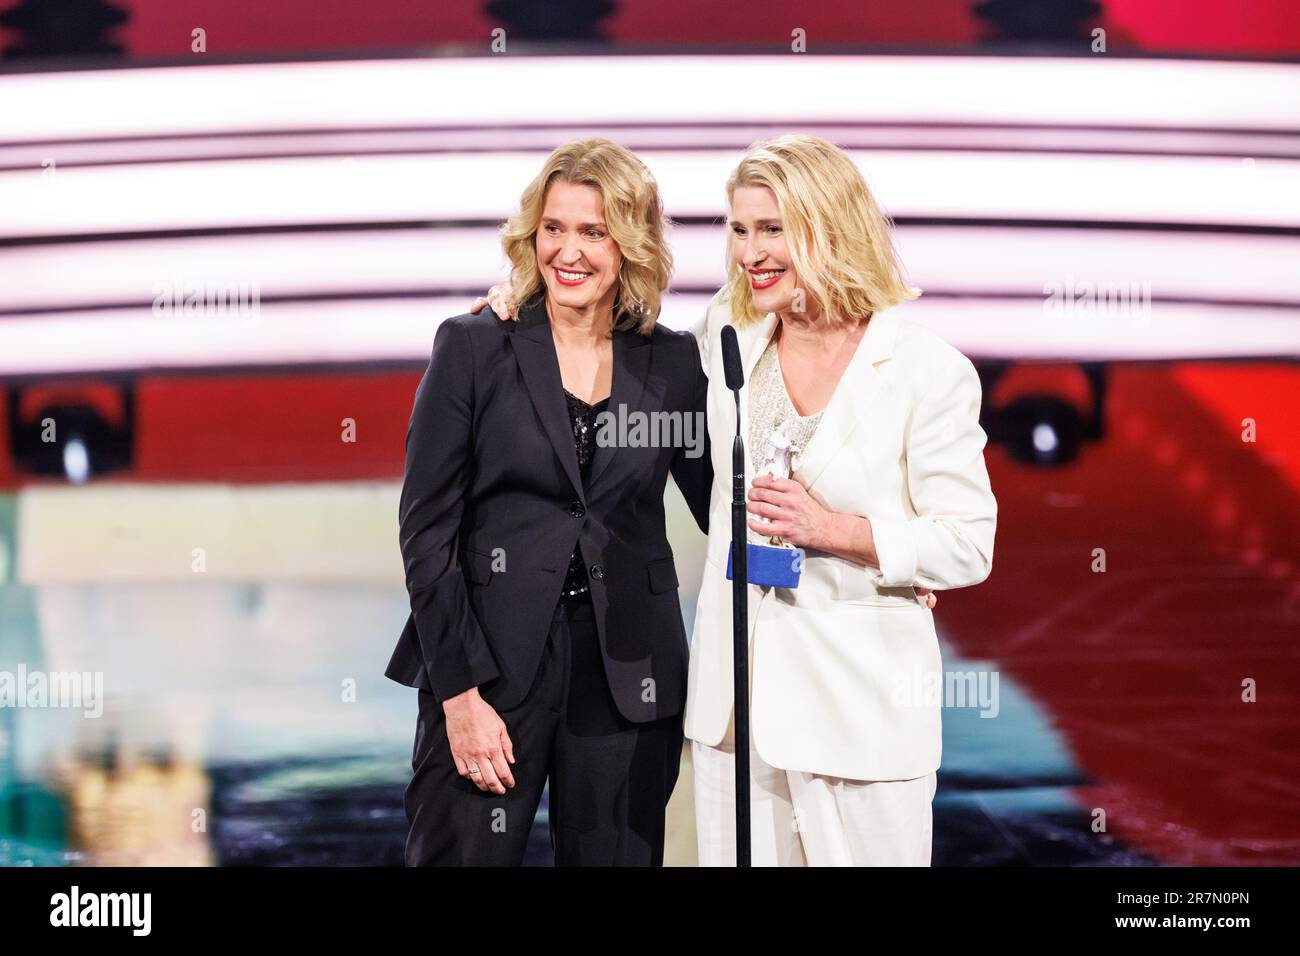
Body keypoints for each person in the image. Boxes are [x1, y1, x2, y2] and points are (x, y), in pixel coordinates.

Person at [384, 138, 711, 866]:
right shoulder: (475, 347)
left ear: (630, 244)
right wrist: (460, 697)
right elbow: (426, 537)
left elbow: (726, 509)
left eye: (594, 231)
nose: (570, 250)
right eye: (554, 228)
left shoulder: (672, 362)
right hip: (490, 666)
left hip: (628, 674)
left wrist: (855, 545)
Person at [687, 134, 997, 866]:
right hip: (737, 719)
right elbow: (614, 339)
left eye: (772, 230)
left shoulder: (926, 371)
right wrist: (509, 306)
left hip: (862, 719)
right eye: (738, 229)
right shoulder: (726, 335)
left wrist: (841, 532)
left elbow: (967, 543)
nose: (748, 252)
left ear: (831, 229)